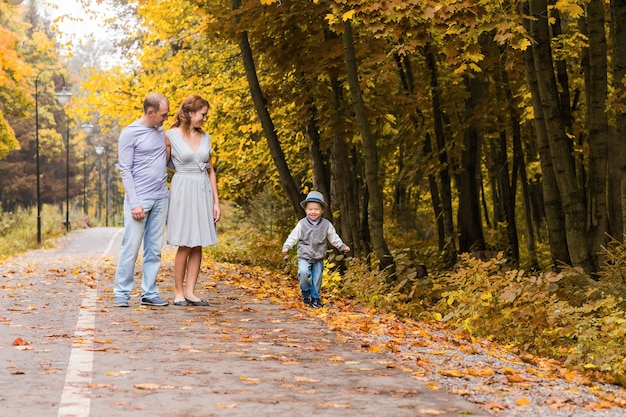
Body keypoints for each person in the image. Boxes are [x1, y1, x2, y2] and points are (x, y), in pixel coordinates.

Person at [113, 93, 171, 307]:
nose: (165, 118)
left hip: (160, 198)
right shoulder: (130, 133)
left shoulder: (160, 130)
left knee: (154, 249)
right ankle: (121, 292)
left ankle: (149, 293)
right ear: (150, 112)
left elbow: (166, 155)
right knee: (131, 247)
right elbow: (125, 170)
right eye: (163, 115)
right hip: (139, 200)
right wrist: (135, 203)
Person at [165, 95, 221, 306]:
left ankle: (191, 291)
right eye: (202, 114)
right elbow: (162, 163)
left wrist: (216, 201)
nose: (205, 119)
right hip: (183, 188)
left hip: (202, 189)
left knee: (198, 244)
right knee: (186, 243)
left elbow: (210, 170)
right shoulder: (170, 136)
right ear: (189, 113)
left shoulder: (206, 137)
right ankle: (179, 292)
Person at [282, 191, 350, 308]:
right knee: (303, 273)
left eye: (316, 209)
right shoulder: (302, 224)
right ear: (306, 210)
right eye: (310, 209)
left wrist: (341, 246)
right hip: (304, 255)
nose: (313, 212)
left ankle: (315, 299)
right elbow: (293, 236)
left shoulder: (326, 225)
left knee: (317, 279)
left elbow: (333, 237)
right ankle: (305, 291)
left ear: (322, 210)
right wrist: (287, 246)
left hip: (319, 256)